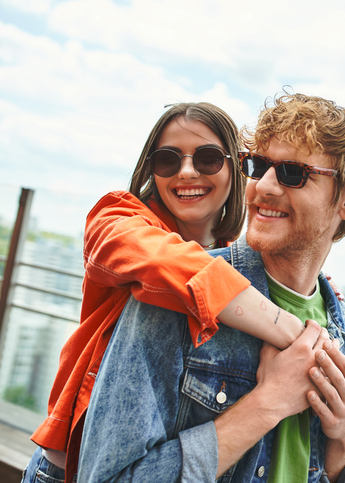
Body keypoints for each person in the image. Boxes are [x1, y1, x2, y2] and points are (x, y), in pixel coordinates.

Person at [76, 92, 345, 482]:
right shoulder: (179, 293)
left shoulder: (344, 332)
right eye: (258, 167)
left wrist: (342, 449)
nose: (264, 187)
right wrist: (267, 404)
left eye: (293, 172)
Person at [23, 102, 311, 483]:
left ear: (236, 167)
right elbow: (165, 261)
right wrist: (291, 331)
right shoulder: (118, 219)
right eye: (167, 160)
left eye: (208, 158)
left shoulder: (236, 257)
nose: (186, 171)